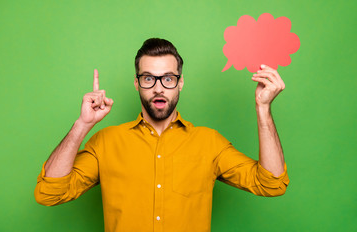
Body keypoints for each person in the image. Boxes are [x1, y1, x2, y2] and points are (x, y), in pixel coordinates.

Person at [34, 38, 289, 232]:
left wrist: (263, 108)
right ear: (137, 83)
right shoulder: (106, 142)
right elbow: (49, 193)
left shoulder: (209, 143)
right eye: (148, 78)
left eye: (167, 78)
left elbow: (272, 184)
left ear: (180, 83)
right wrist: (82, 124)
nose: (158, 88)